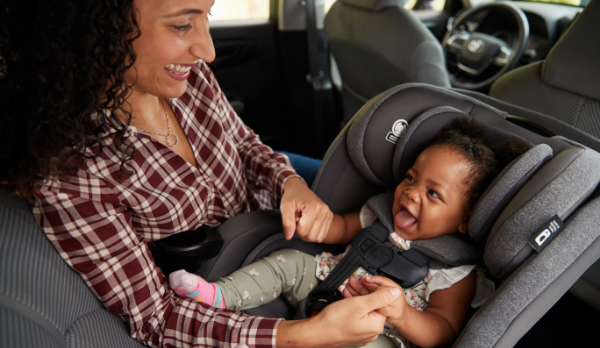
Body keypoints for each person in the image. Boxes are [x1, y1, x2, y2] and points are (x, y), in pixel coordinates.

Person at [0, 0, 401, 347]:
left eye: (208, 16)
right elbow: (159, 319)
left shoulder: (185, 78)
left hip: (275, 228)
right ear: (96, 31)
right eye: (181, 24)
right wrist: (303, 336)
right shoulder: (72, 173)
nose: (207, 50)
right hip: (230, 286)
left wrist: (290, 183)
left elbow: (244, 143)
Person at [168, 118, 533, 348]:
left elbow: (444, 329)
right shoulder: (380, 214)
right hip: (326, 280)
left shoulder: (454, 270)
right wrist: (319, 223)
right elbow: (340, 227)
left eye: (433, 194)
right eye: (410, 178)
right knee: (289, 262)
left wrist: (402, 313)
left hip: (378, 329)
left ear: (464, 220)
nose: (411, 193)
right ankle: (217, 296)